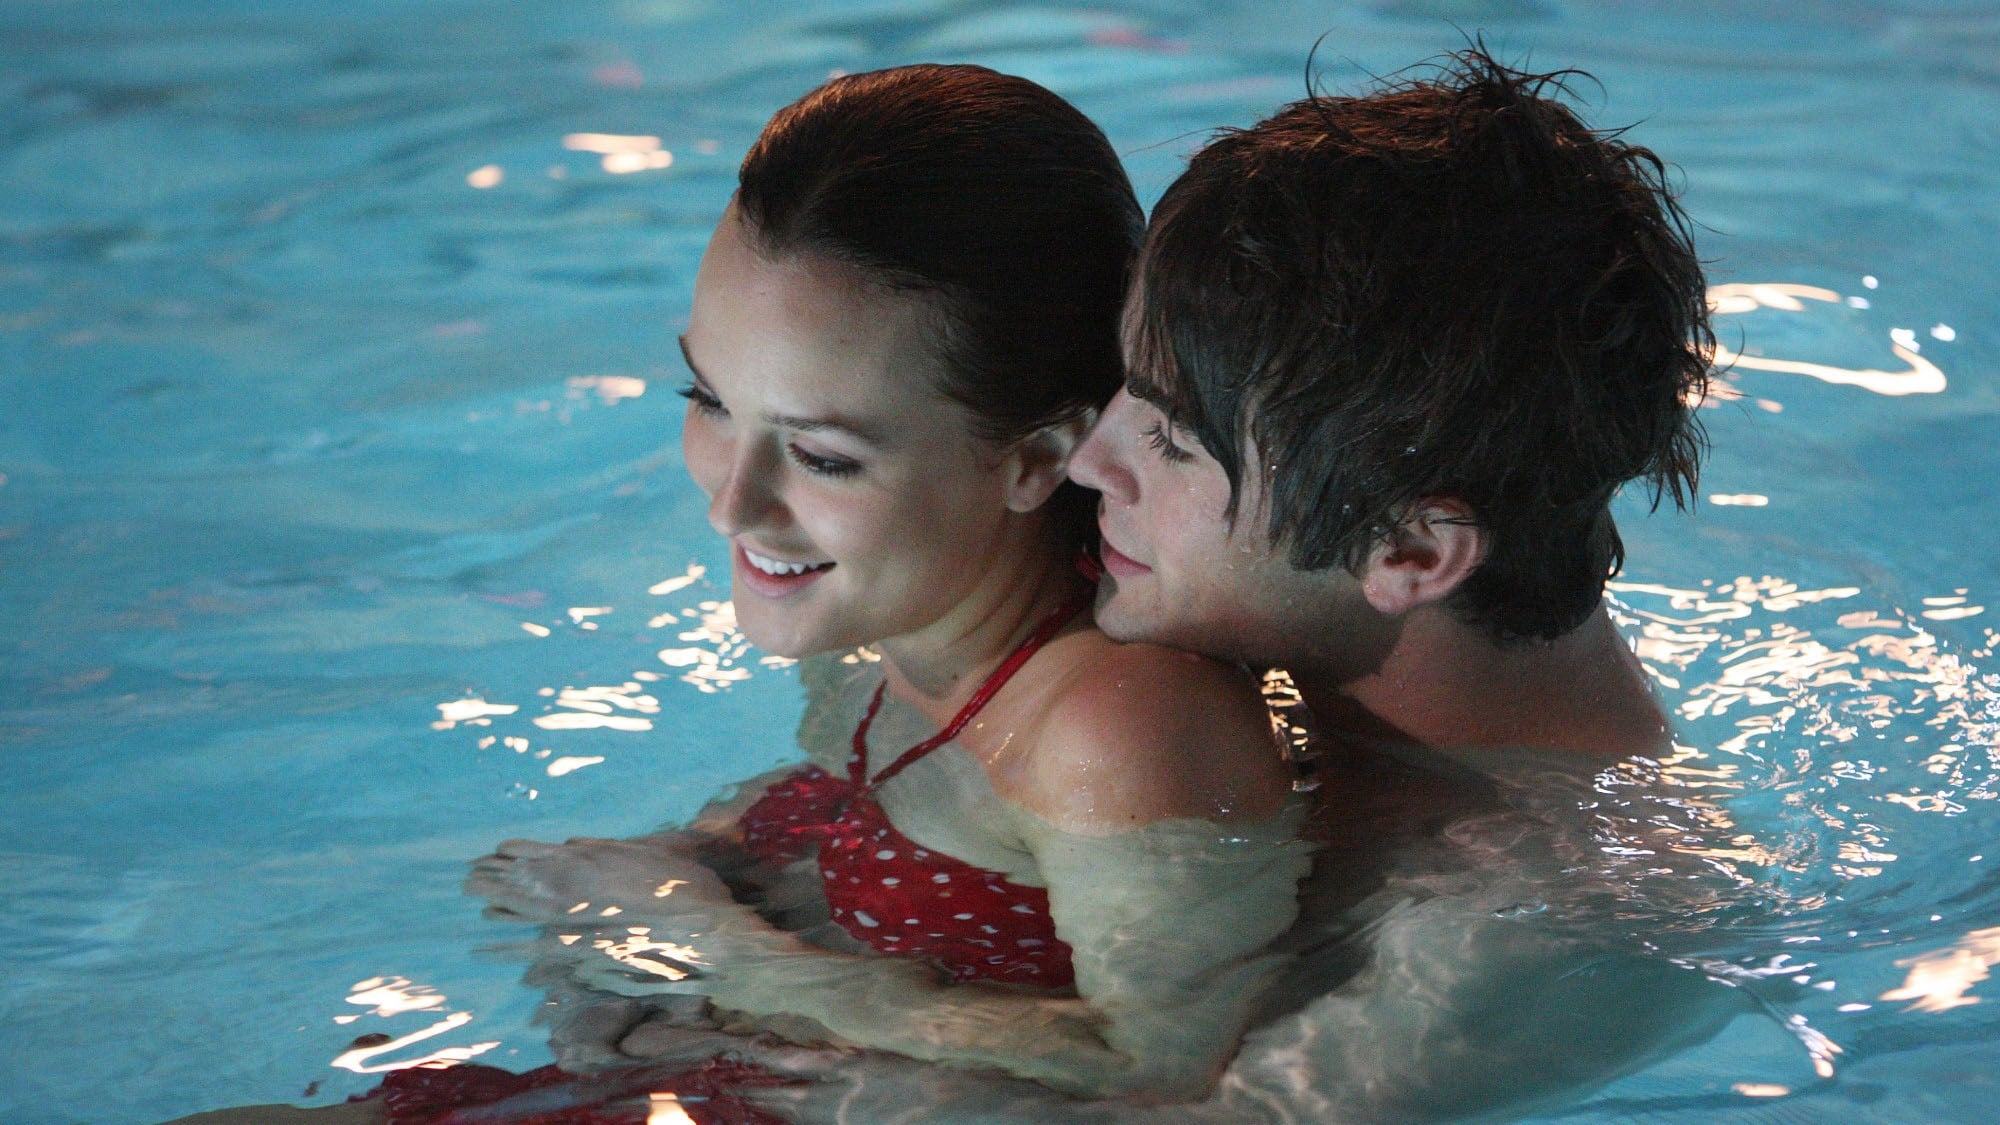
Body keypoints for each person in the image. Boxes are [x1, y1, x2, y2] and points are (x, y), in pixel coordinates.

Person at [161, 63, 1311, 1125]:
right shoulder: (885, 612)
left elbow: (1163, 1068)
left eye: (822, 456)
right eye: (708, 399)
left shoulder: (1116, 727)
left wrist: (716, 949)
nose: (730, 504)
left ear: (1035, 459)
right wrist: (678, 879)